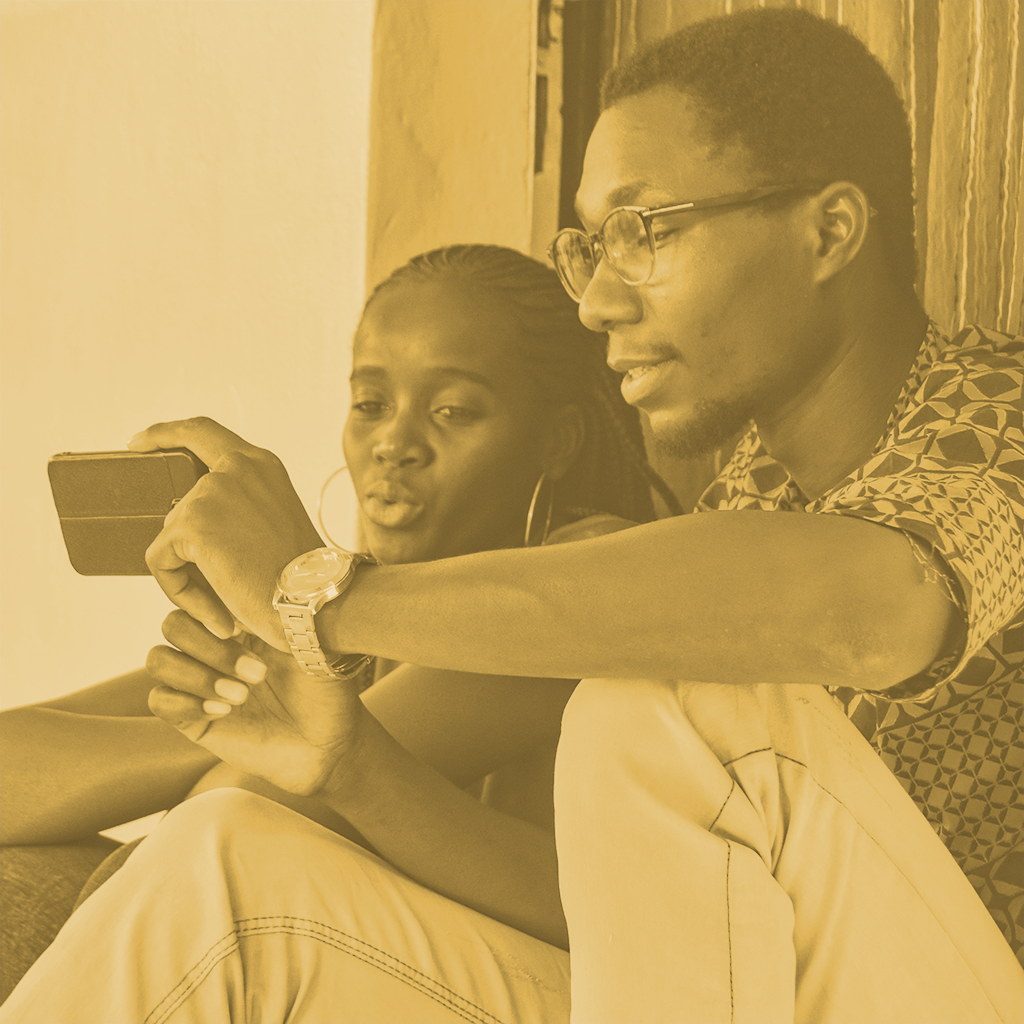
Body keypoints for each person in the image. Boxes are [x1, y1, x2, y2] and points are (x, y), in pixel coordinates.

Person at [3, 6, 1022, 1023]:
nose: (598, 302)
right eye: (592, 247)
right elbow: (637, 930)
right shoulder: (754, 491)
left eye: (645, 232)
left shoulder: (992, 421)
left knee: (654, 689)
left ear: (828, 231)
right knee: (220, 860)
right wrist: (347, 765)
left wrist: (323, 595)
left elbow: (872, 605)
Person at [0, 244, 679, 1012]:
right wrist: (228, 718)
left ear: (557, 441)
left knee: (204, 851)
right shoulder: (356, 599)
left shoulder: (580, 580)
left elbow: (258, 797)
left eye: (452, 411)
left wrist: (266, 708)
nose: (395, 444)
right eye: (371, 405)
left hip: (572, 994)